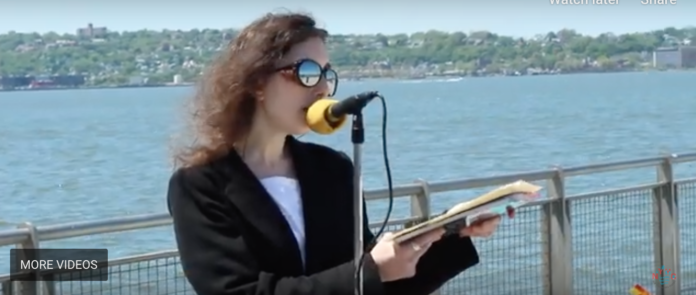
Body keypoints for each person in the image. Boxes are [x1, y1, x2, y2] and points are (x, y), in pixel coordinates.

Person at [167, 12, 504, 295]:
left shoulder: (332, 169)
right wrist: (370, 272)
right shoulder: (200, 185)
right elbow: (239, 291)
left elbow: (377, 280)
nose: (323, 88)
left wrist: (453, 233)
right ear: (257, 82)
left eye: (327, 74)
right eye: (307, 72)